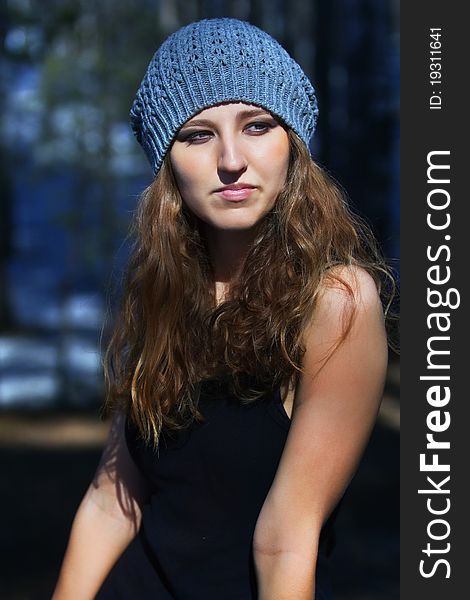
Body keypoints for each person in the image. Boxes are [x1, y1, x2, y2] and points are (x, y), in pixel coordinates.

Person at [52, 17, 392, 600]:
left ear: (293, 144)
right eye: (198, 135)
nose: (231, 159)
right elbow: (112, 502)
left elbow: (285, 540)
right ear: (167, 164)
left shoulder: (335, 303)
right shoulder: (162, 294)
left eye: (257, 125)